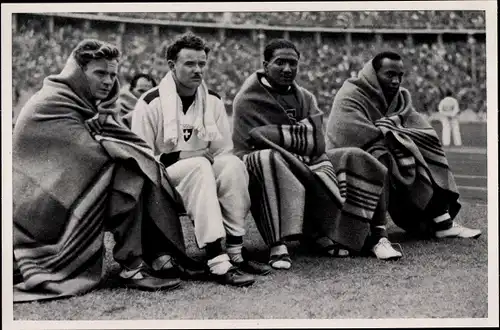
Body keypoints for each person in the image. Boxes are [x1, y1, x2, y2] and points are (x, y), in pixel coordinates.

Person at [12, 39, 205, 303]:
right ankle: (133, 266)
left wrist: (121, 146)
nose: (107, 81)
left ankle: (154, 257)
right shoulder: (52, 103)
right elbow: (86, 154)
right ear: (78, 72)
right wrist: (122, 150)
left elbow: (118, 140)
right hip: (39, 202)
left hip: (62, 188)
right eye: (100, 73)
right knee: (129, 176)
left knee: (137, 168)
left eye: (113, 74)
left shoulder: (89, 102)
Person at [232, 39, 402, 271]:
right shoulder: (247, 99)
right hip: (259, 164)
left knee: (355, 155)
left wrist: (272, 134)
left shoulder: (306, 97)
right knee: (267, 159)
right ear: (265, 64)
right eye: (280, 62)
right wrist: (294, 138)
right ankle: (277, 244)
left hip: (307, 158)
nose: (287, 69)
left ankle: (372, 235)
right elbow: (248, 143)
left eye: (293, 63)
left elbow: (316, 139)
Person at [130, 33, 272, 287]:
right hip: (163, 185)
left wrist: (204, 160)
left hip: (201, 178)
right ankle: (216, 260)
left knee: (233, 165)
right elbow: (140, 159)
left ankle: (235, 252)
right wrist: (181, 155)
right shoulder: (150, 102)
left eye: (202, 64)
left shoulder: (213, 101)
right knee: (198, 166)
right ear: (172, 65)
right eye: (189, 64)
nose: (198, 70)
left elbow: (222, 151)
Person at [326, 51, 481, 239]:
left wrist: (399, 137)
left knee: (424, 146)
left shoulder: (400, 97)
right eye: (389, 74)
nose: (396, 81)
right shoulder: (350, 93)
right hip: (347, 158)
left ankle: (442, 221)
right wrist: (394, 136)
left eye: (400, 75)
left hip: (387, 150)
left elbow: (419, 128)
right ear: (373, 74)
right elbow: (348, 131)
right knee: (383, 155)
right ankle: (378, 232)